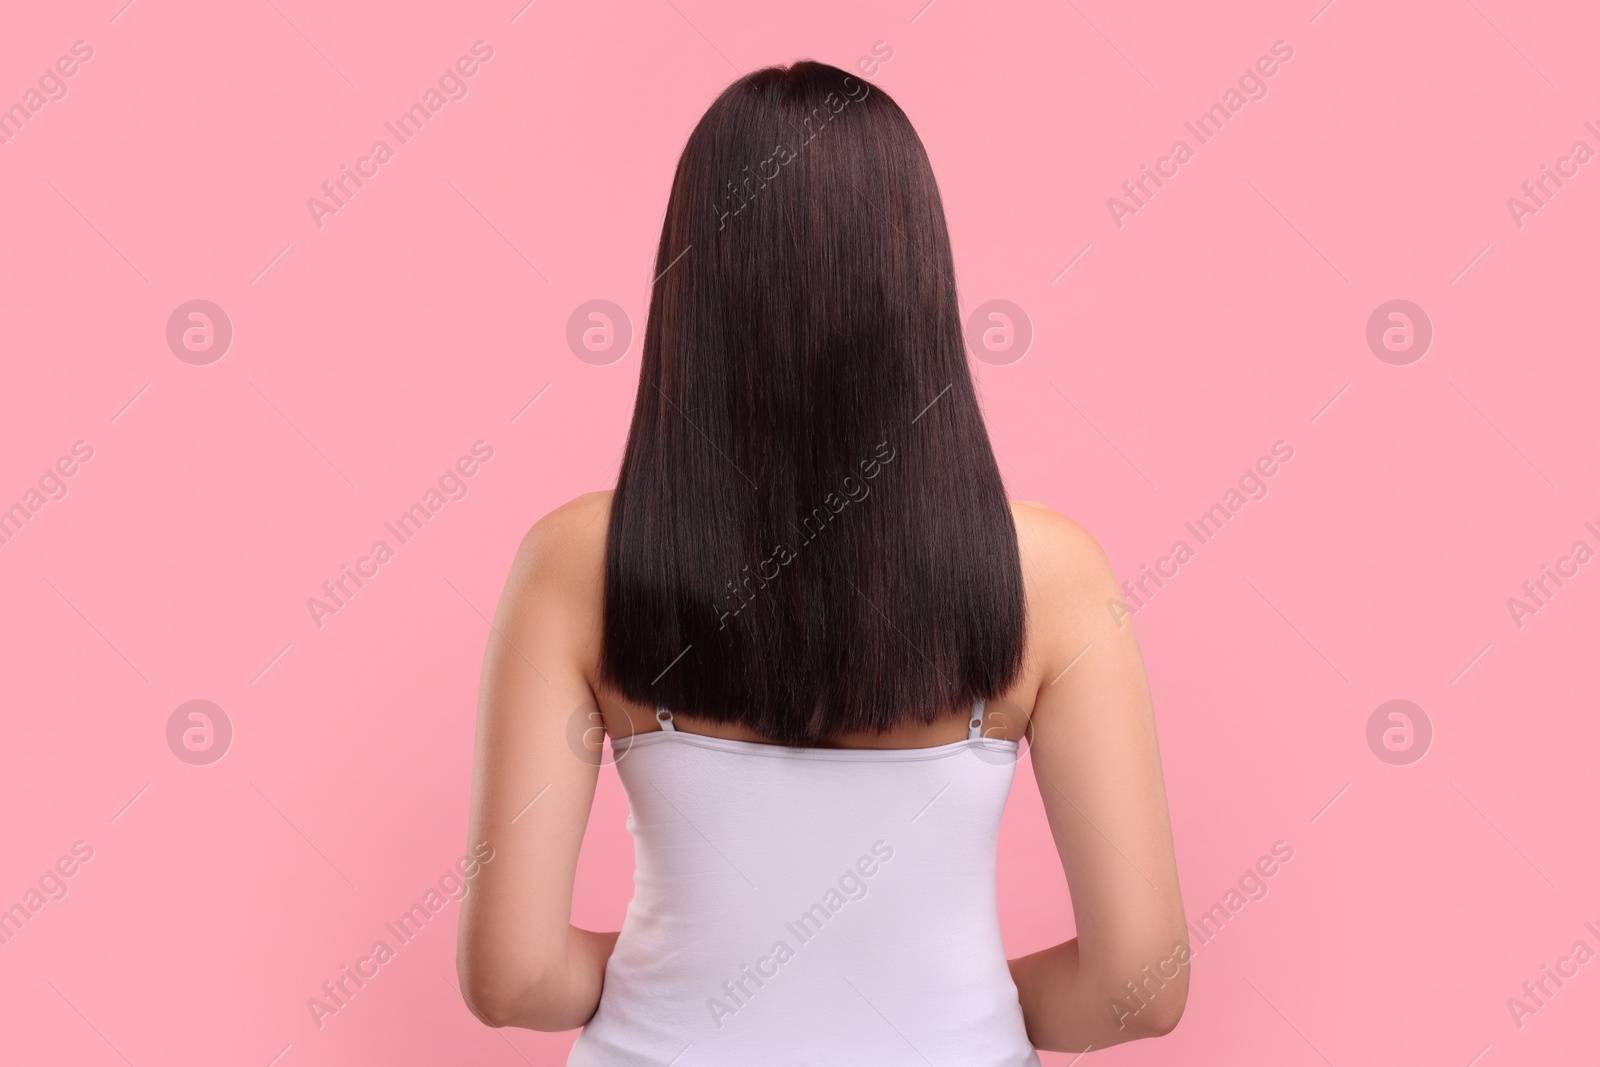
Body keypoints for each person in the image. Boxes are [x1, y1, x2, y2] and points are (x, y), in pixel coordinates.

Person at [456, 60, 1187, 1064]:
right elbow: (1138, 987)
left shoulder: (573, 563)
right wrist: (943, 998)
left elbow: (515, 977)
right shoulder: (1051, 575)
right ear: (915, 280)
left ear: (692, 282)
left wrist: (705, 976)